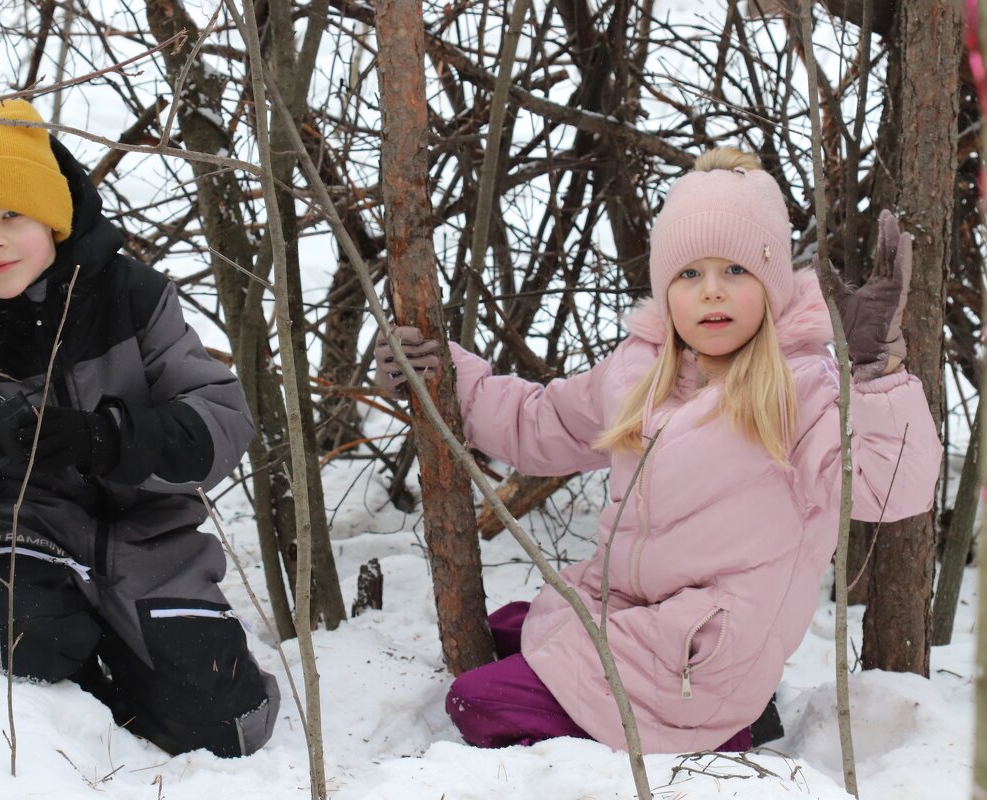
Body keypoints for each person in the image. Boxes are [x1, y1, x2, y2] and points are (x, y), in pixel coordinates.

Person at [374, 147, 941, 754]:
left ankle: (719, 732)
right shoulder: (642, 370)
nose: (712, 293)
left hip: (703, 654)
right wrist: (444, 382)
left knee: (476, 701)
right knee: (499, 631)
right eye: (690, 274)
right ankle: (726, 721)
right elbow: (540, 422)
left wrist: (876, 372)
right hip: (634, 610)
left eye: (737, 271)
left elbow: (892, 488)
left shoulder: (800, 389)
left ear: (773, 286)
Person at [0, 95, 279, 757]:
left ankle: (132, 667)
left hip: (151, 545)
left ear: (55, 212)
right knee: (4, 662)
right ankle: (72, 715)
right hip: (20, 539)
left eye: (12, 215)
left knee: (227, 728)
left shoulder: (135, 298)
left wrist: (110, 440)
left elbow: (222, 421)